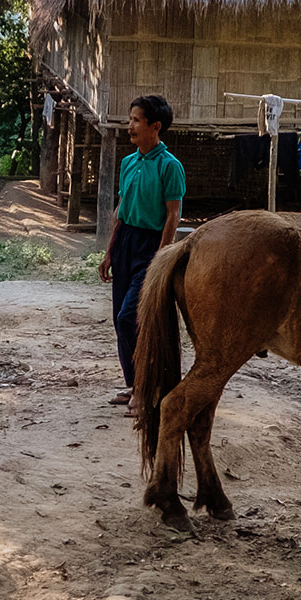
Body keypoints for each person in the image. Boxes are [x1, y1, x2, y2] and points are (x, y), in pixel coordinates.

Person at [99, 94, 185, 405]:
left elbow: (173, 215)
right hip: (126, 243)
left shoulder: (170, 166)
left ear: (155, 126)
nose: (129, 125)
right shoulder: (128, 162)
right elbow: (121, 209)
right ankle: (136, 386)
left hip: (152, 245)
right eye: (130, 118)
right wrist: (109, 252)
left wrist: (161, 258)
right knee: (118, 318)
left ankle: (149, 388)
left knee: (131, 318)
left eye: (136, 120)